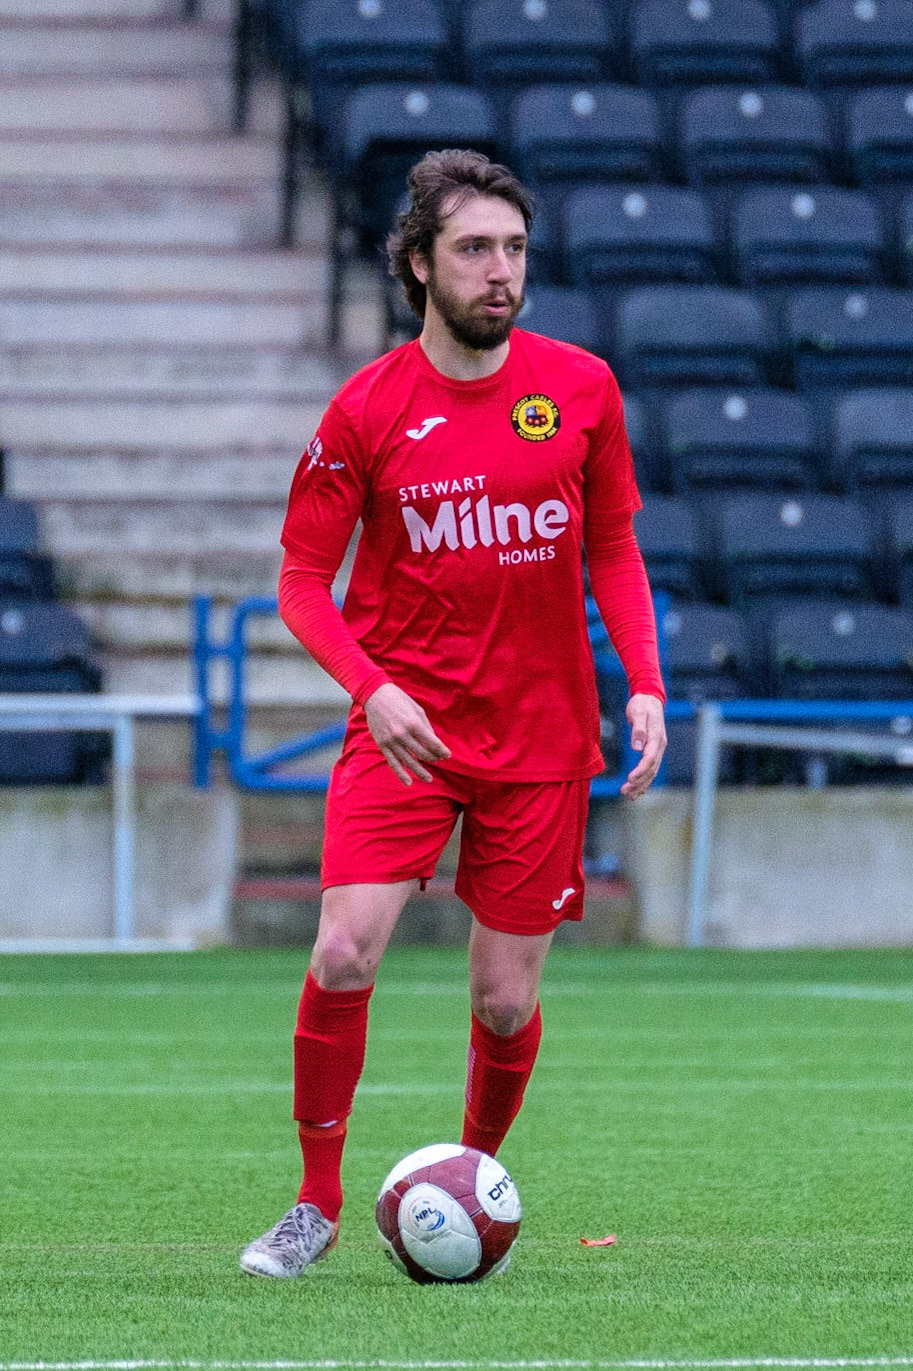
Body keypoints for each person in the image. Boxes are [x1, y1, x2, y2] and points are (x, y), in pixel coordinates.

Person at [239, 149, 667, 1278]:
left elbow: (613, 546)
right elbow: (300, 581)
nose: (500, 271)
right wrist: (371, 687)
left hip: (540, 737)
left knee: (505, 1000)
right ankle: (316, 1202)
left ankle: (470, 1187)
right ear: (419, 264)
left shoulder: (581, 389)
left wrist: (644, 681)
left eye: (514, 249)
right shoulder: (367, 409)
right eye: (474, 248)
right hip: (406, 732)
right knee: (342, 949)